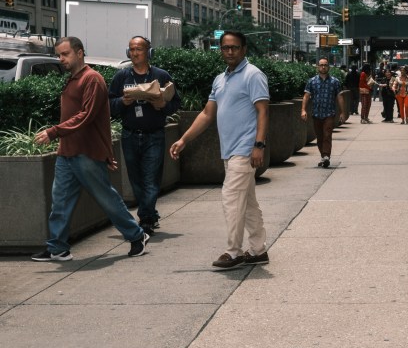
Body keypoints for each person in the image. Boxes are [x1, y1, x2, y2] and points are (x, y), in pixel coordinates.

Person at [30, 36, 149, 261]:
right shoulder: (73, 79)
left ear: (80, 53)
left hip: (86, 152)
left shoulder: (92, 79)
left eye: (65, 54)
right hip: (68, 152)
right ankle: (57, 248)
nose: (61, 59)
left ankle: (136, 236)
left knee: (106, 197)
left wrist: (53, 132)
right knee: (60, 201)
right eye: (58, 55)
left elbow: (86, 116)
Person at [168, 31, 270, 271]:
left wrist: (259, 145)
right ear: (220, 50)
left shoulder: (253, 75)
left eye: (234, 47)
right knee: (248, 203)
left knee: (231, 199)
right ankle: (258, 250)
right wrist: (183, 140)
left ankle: (233, 252)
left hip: (244, 150)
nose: (230, 52)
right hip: (230, 150)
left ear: (244, 49)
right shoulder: (220, 79)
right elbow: (206, 114)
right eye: (225, 48)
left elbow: (263, 112)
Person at [108, 35, 182, 234]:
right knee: (136, 180)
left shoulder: (161, 75)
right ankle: (149, 213)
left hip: (154, 135)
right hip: (130, 135)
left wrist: (162, 105)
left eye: (139, 49)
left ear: (148, 52)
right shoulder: (121, 77)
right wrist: (122, 102)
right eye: (131, 49)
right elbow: (108, 106)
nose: (134, 53)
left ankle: (146, 219)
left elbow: (176, 102)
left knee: (151, 179)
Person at [301, 57, 344, 168]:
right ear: (317, 67)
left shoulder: (335, 81)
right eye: (321, 65)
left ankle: (326, 156)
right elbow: (306, 96)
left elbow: (339, 97)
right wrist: (303, 110)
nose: (323, 67)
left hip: (329, 113)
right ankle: (323, 156)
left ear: (328, 67)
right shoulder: (312, 81)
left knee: (327, 134)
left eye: (325, 65)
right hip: (316, 113)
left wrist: (342, 112)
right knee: (319, 137)